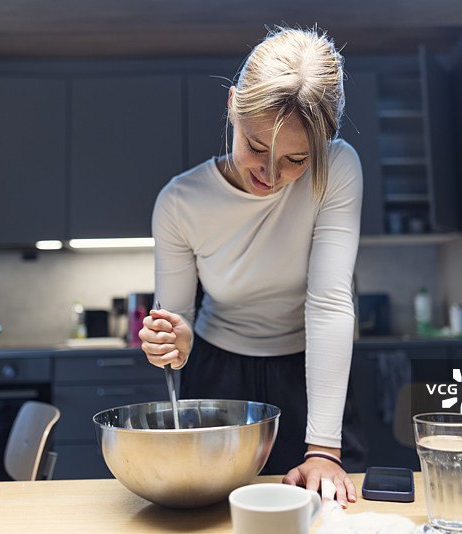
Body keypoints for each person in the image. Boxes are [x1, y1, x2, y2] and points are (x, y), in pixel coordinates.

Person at [139, 26, 362, 507]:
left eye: (297, 159)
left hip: (312, 370)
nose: (270, 173)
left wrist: (323, 448)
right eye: (256, 147)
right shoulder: (180, 202)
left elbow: (328, 302)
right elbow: (175, 333)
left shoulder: (338, 169)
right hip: (219, 375)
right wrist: (169, 344)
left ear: (324, 144)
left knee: (328, 508)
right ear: (233, 107)